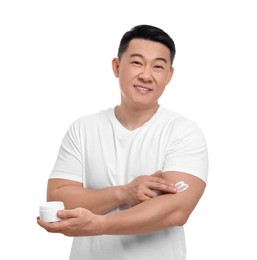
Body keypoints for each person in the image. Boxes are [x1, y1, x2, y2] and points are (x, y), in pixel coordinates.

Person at [37, 24, 208, 260]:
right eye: (137, 62)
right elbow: (61, 201)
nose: (146, 75)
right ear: (117, 67)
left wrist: (98, 224)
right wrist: (124, 193)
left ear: (169, 75)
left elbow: (177, 210)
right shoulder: (83, 129)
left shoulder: (183, 132)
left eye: (158, 66)